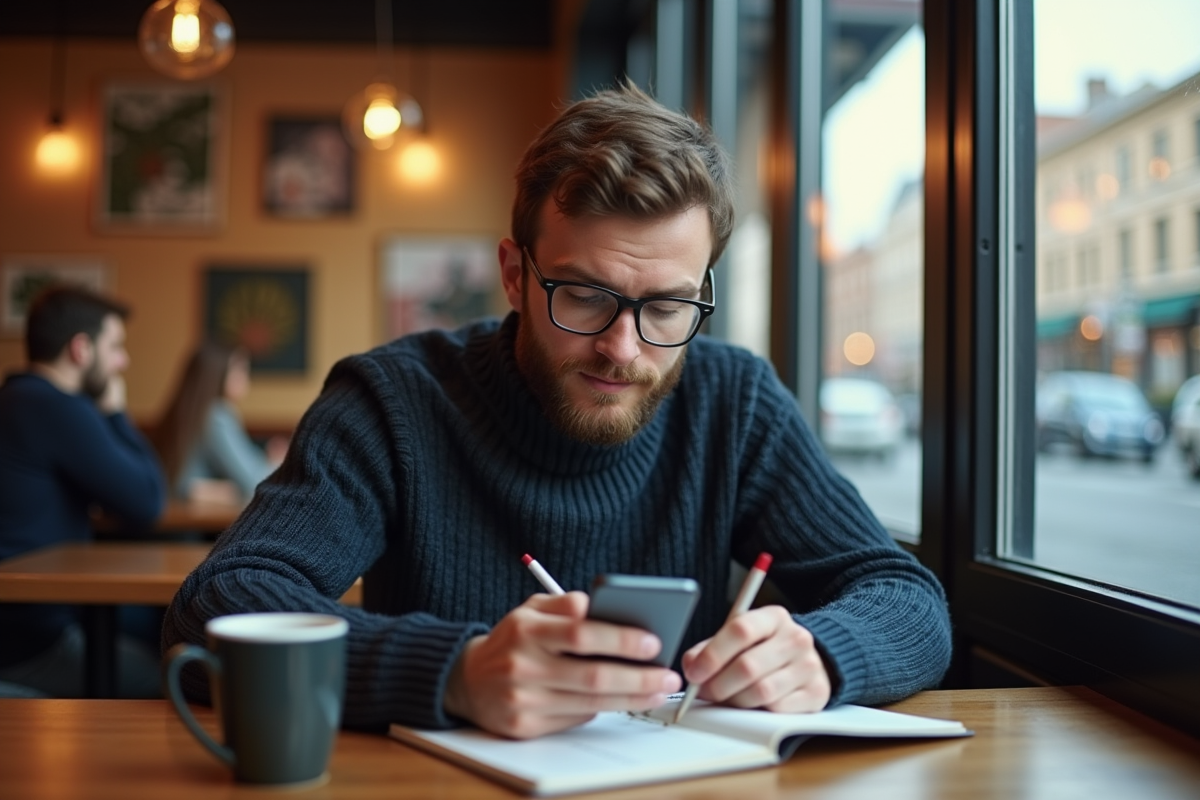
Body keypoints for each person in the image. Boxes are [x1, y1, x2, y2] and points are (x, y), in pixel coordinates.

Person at [163, 83, 951, 739]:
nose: (624, 349)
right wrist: (457, 672)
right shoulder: (393, 401)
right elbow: (215, 606)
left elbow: (908, 598)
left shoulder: (734, 401)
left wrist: (823, 652)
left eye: (668, 307)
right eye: (583, 295)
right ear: (514, 273)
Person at [0, 285, 165, 697]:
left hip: (24, 621)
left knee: (155, 623)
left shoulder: (16, 399)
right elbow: (147, 502)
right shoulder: (56, 407)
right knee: (174, 680)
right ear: (80, 349)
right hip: (30, 639)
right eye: (115, 347)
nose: (123, 361)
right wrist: (116, 412)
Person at [153, 340, 284, 505]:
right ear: (218, 374)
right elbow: (254, 483)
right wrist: (279, 464)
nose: (246, 376)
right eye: (240, 369)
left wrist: (224, 490)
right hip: (196, 524)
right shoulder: (217, 417)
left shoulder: (194, 413)